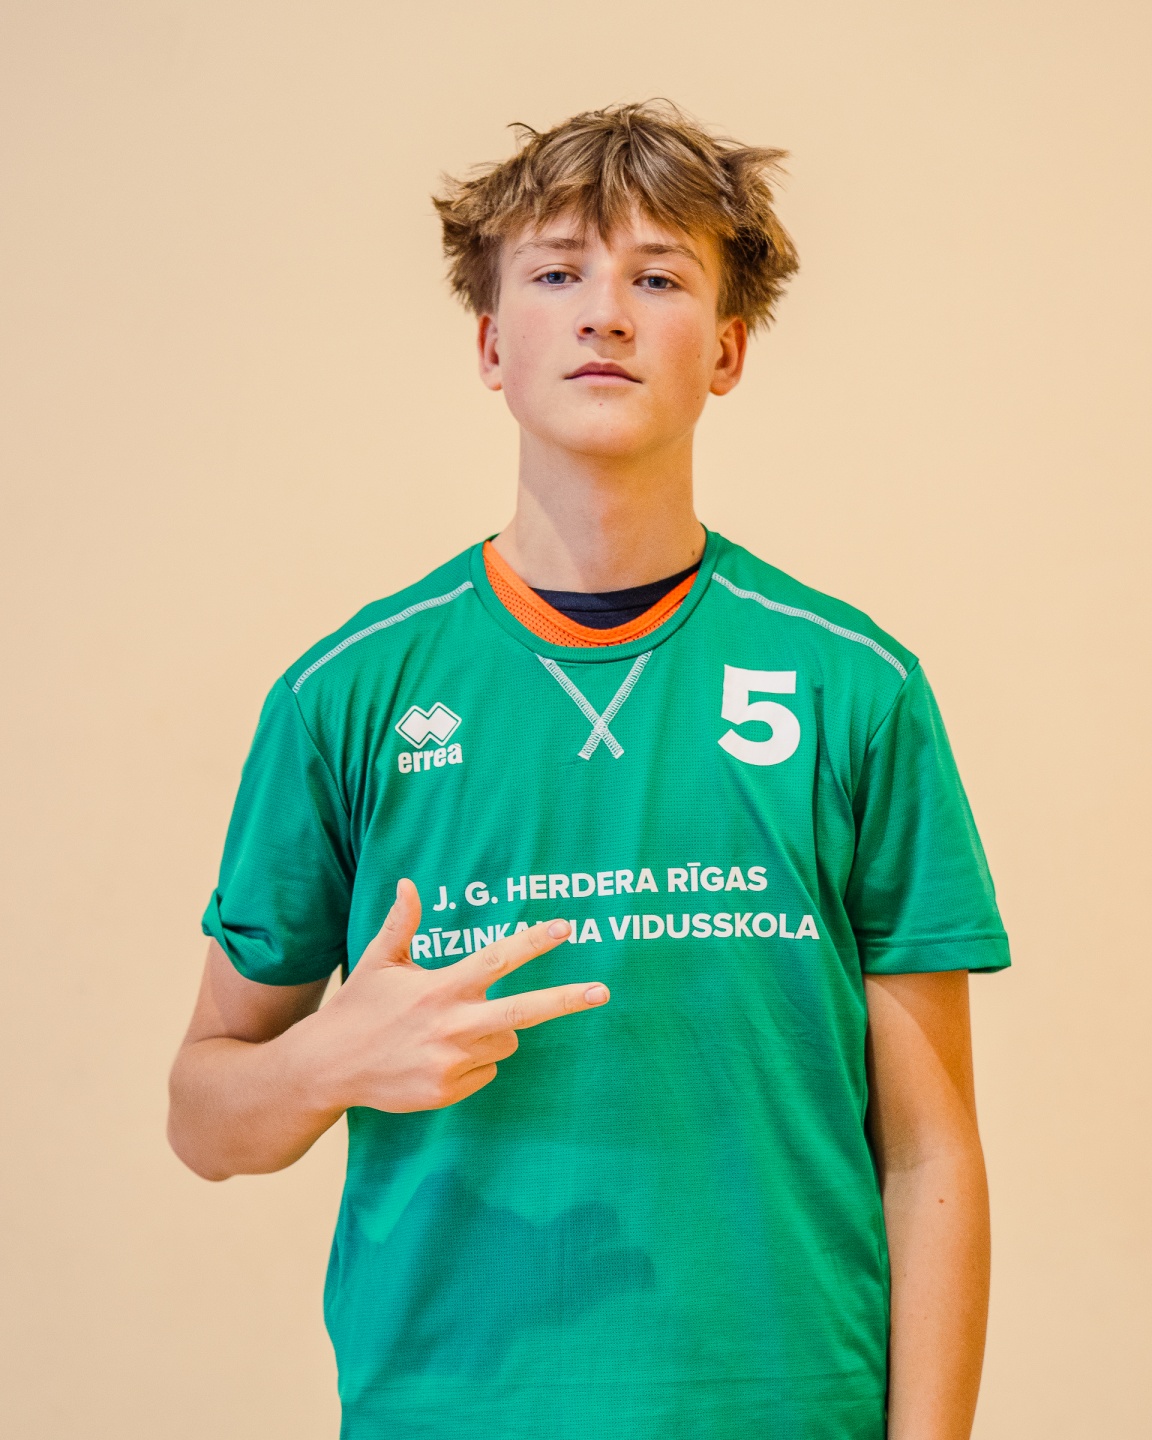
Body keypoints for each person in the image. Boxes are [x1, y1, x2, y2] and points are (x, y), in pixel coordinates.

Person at [168, 100, 1010, 1440]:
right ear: (492, 344)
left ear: (727, 348)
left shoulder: (855, 685)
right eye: (557, 273)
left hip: (792, 1411)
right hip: (447, 1411)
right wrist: (327, 1060)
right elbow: (205, 1117)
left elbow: (928, 1152)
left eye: (658, 278)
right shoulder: (346, 694)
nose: (605, 314)